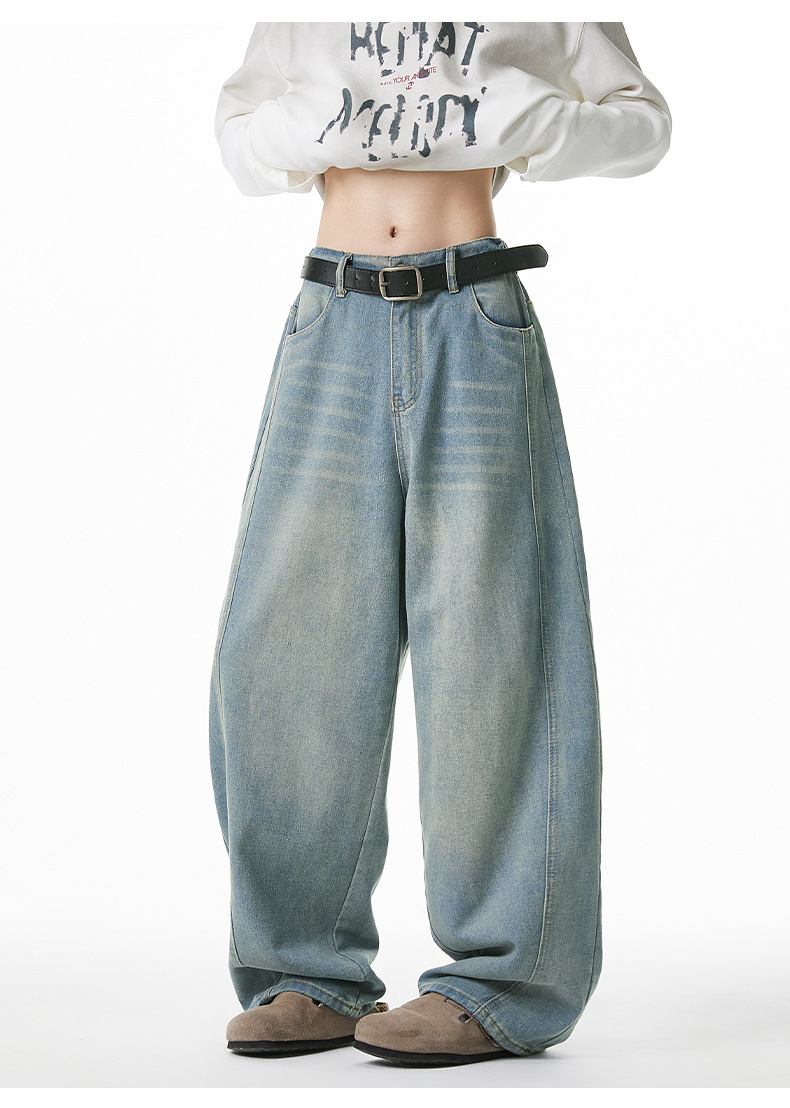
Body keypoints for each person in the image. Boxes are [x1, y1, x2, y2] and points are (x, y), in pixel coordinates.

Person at [209, 21, 671, 1068]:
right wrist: (326, 122)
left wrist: (516, 118)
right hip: (331, 312)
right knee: (283, 653)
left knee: (495, 646)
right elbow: (238, 138)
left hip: (473, 309)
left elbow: (643, 126)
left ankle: (503, 984)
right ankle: (305, 971)